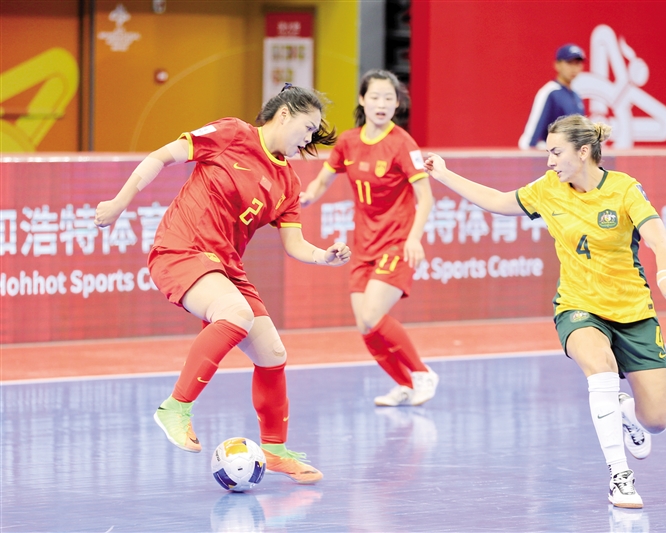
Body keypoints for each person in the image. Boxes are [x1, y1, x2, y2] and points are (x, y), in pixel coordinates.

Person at [425, 114, 666, 509]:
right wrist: (445, 175)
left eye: (556, 152)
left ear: (583, 152)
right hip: (578, 306)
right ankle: (619, 477)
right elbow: (499, 202)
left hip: (633, 310)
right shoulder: (548, 189)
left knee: (656, 420)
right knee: (600, 369)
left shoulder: (623, 189)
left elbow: (658, 237)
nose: (550, 161)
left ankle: (625, 411)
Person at [93, 85, 351, 485]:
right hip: (181, 249)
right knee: (236, 313)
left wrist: (324, 256)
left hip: (226, 265)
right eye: (308, 127)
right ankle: (175, 408)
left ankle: (275, 450)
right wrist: (119, 203)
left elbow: (295, 243)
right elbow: (162, 156)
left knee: (272, 352)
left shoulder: (288, 182)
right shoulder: (232, 133)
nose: (310, 138)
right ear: (284, 114)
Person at [300, 69, 438, 407]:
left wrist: (414, 238)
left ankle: (423, 374)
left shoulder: (403, 143)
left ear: (397, 104)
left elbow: (426, 197)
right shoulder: (348, 142)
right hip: (363, 246)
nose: (381, 104)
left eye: (389, 98)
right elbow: (322, 180)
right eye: (375, 97)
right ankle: (404, 385)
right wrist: (305, 197)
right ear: (362, 100)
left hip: (396, 242)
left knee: (373, 315)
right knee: (365, 325)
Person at [518, 43, 586, 150]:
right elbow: (528, 141)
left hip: (573, 159)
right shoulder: (550, 92)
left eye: (577, 63)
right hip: (554, 159)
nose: (574, 68)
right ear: (557, 65)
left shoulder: (576, 96)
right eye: (569, 63)